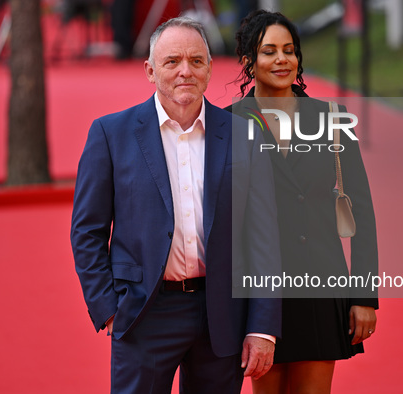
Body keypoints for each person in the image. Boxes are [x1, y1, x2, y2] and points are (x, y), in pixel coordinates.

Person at [70, 16, 281, 394]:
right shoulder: (110, 134)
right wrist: (107, 308)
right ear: (150, 71)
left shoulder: (244, 134)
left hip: (222, 313)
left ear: (210, 69)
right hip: (144, 311)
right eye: (172, 62)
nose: (186, 71)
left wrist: (262, 325)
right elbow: (87, 230)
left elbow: (265, 235)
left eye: (196, 61)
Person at [225, 10, 379, 394]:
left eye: (290, 51)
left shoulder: (332, 119)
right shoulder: (227, 125)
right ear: (248, 61)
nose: (282, 59)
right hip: (260, 292)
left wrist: (364, 296)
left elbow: (361, 210)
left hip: (321, 284)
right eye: (269, 51)